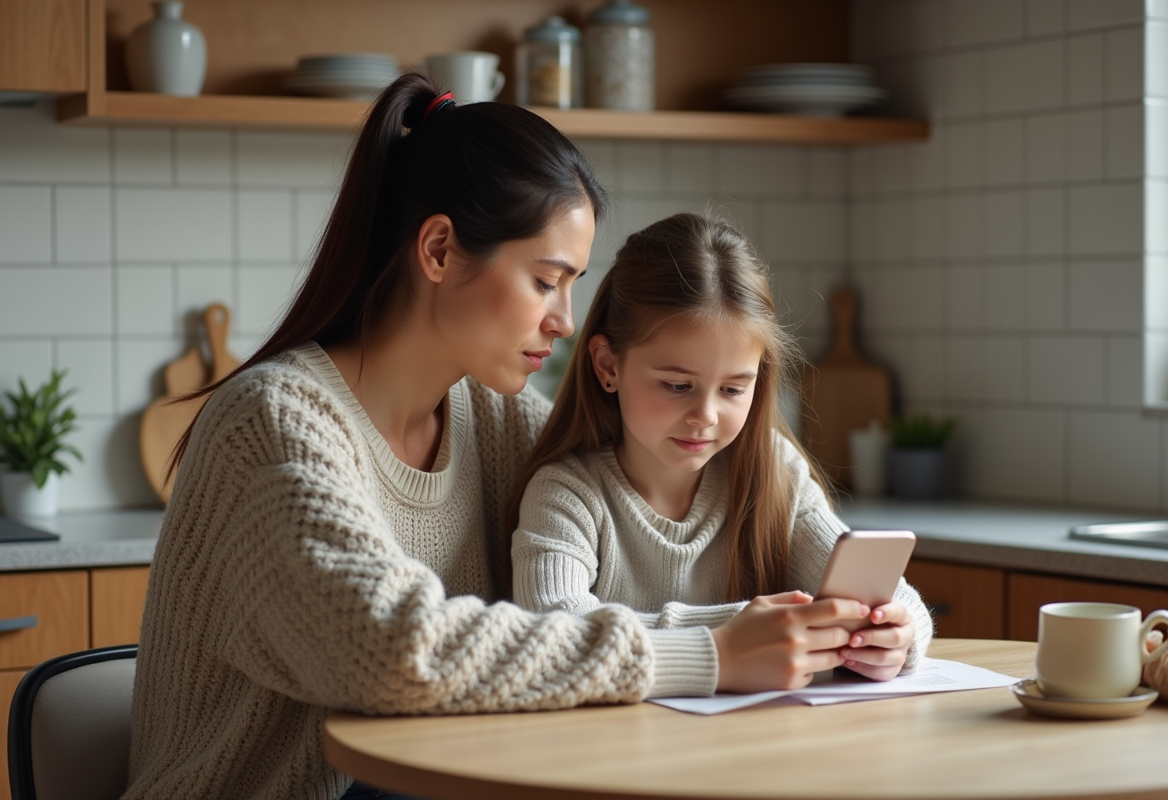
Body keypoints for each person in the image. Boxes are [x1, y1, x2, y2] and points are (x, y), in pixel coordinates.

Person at [121, 75, 881, 800]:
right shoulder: (275, 424)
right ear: (441, 251)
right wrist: (712, 653)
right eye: (547, 280)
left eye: (573, 285)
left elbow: (603, 582)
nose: (564, 318)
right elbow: (397, 654)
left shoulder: (496, 421)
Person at [510, 213, 933, 685]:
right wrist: (736, 634)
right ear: (608, 366)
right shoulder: (566, 494)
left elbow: (883, 595)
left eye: (733, 389)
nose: (705, 415)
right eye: (676, 385)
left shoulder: (775, 471)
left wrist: (897, 632)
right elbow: (549, 631)